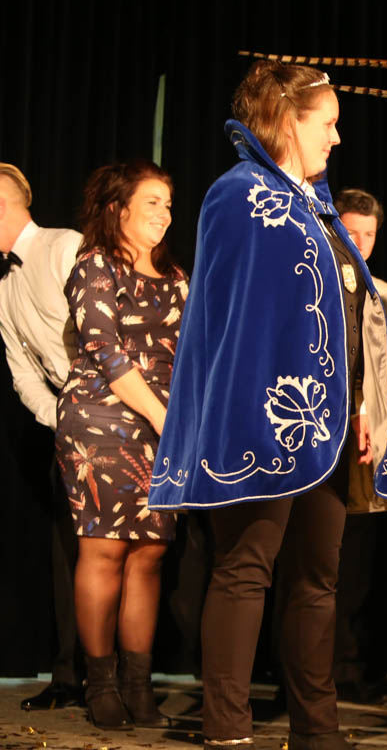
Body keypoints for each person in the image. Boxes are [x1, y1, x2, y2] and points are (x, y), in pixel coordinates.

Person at [149, 60, 387, 750]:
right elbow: (232, 323)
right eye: (329, 123)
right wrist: (247, 412)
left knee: (318, 578)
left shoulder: (318, 206)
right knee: (244, 570)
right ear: (290, 120)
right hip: (262, 419)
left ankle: (316, 731)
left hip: (328, 425)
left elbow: (345, 318)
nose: (337, 138)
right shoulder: (239, 195)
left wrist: (362, 406)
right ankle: (228, 730)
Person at [53, 160, 187, 729]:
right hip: (102, 421)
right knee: (105, 549)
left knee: (150, 553)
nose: (164, 213)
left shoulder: (176, 275)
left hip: (165, 426)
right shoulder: (95, 266)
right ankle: (101, 683)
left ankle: (138, 684)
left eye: (168, 204)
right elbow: (106, 352)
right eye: (152, 202)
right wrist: (161, 415)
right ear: (117, 208)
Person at [0, 162, 85, 711]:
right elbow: (23, 373)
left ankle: (121, 678)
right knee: (66, 551)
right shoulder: (5, 285)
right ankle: (69, 675)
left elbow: (104, 332)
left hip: (117, 417)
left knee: (122, 552)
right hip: (66, 424)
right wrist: (62, 418)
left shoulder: (63, 246)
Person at [331, 186, 387, 702]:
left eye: (369, 234)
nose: (359, 243)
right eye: (350, 231)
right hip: (318, 433)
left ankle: (346, 669)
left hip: (367, 440)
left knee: (355, 565)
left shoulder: (383, 293)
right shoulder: (312, 281)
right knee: (310, 558)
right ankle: (299, 674)